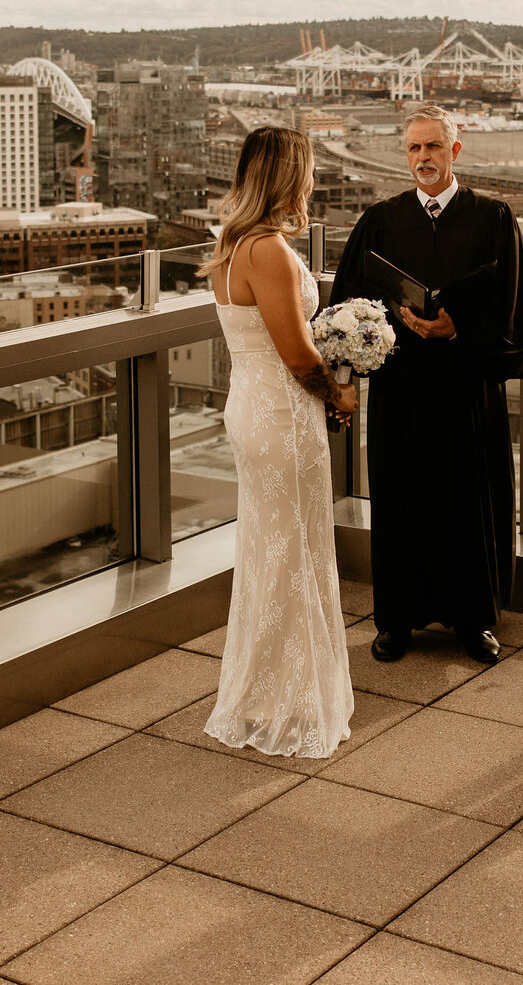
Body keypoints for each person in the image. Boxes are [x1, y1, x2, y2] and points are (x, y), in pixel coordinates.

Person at [327, 105, 523, 665]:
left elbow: (511, 308)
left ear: (455, 151)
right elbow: (347, 305)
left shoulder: (493, 219)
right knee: (400, 501)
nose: (424, 158)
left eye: (434, 146)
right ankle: (396, 620)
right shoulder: (380, 221)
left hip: (466, 389)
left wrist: (455, 328)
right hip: (402, 391)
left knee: (468, 501)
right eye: (415, 148)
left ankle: (475, 620)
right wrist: (351, 368)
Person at [201, 126, 359, 758]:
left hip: (253, 404)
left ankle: (264, 693)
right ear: (289, 177)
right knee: (292, 552)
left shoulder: (232, 243)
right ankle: (286, 703)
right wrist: (338, 393)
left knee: (273, 549)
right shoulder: (266, 250)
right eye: (308, 171)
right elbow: (296, 354)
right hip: (281, 417)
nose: (313, 182)